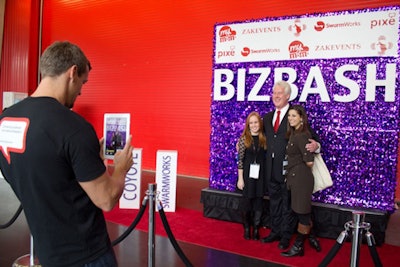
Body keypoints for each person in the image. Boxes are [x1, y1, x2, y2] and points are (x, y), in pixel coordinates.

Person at [0, 41, 133, 267]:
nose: (81, 90)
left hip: (47, 253)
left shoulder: (6, 120)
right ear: (72, 72)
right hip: (86, 256)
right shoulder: (75, 128)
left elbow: (45, 170)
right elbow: (106, 199)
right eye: (83, 81)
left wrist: (89, 160)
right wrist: (120, 168)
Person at [260, 80, 321, 250]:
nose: (276, 96)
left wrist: (316, 145)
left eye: (280, 93)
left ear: (288, 96)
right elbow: (260, 138)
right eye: (274, 93)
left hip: (290, 171)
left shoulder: (294, 116)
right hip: (271, 169)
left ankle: (286, 236)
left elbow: (312, 138)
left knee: (288, 205)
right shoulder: (267, 117)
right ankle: (275, 232)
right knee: (274, 202)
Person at [281, 105, 321, 257]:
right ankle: (312, 238)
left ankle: (298, 246)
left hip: (301, 179)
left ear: (301, 118)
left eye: (294, 116)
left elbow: (309, 161)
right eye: (289, 115)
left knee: (302, 213)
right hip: (294, 178)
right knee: (299, 212)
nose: (290, 118)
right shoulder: (294, 134)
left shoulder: (302, 135)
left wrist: (298, 165)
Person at [237, 111, 267, 240]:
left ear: (259, 123)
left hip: (261, 176)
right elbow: (240, 160)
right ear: (248, 125)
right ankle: (246, 228)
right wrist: (240, 179)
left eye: (256, 122)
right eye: (251, 123)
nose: (254, 125)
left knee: (259, 202)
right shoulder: (244, 139)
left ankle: (256, 229)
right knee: (247, 203)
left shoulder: (264, 138)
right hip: (247, 177)